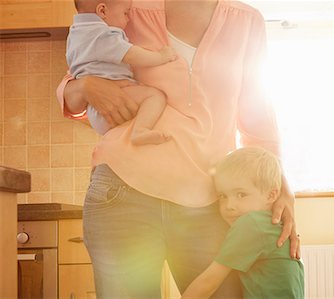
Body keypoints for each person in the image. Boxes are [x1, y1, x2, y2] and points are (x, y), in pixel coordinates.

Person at [56, 0, 300, 298]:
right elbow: (76, 83)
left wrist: (283, 190)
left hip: (208, 200)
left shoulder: (247, 22)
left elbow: (258, 123)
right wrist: (84, 86)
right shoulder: (131, 9)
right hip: (122, 193)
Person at [182, 147, 304, 299]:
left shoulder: (250, 224)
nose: (229, 205)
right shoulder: (273, 224)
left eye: (241, 194)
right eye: (223, 196)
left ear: (272, 194)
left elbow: (208, 283)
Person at [67, 0, 177, 145]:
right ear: (103, 11)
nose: (128, 18)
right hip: (115, 98)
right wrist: (162, 56)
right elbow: (131, 55)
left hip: (98, 111)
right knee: (155, 96)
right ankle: (140, 130)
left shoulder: (76, 33)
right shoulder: (101, 35)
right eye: (126, 13)